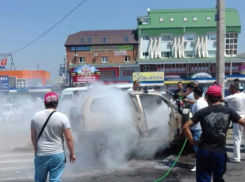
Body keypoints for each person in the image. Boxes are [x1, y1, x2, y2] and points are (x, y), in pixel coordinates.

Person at [182, 85, 245, 182]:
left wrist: (193, 142)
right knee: (218, 179)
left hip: (204, 151)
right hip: (219, 152)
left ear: (207, 97)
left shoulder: (202, 112)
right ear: (220, 97)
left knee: (203, 178)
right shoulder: (228, 111)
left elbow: (185, 127)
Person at [31, 92, 76, 182]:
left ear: (44, 103)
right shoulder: (62, 117)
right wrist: (72, 153)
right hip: (57, 155)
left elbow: (33, 137)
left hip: (41, 154)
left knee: (39, 179)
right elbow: (69, 138)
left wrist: (36, 150)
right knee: (55, 180)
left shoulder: (35, 117)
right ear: (57, 103)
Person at [224, 82, 245, 163]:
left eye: (230, 88)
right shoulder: (244, 95)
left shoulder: (231, 97)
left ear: (234, 88)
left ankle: (236, 158)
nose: (229, 89)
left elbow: (219, 99)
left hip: (238, 118)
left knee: (237, 138)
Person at [190, 86, 208, 172]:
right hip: (201, 127)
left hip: (197, 127)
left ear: (196, 94)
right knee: (200, 147)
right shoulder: (204, 102)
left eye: (193, 93)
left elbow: (198, 116)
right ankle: (200, 163)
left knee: (197, 147)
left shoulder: (198, 103)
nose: (193, 95)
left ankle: (199, 165)